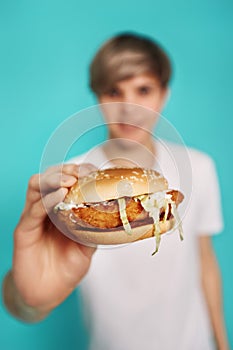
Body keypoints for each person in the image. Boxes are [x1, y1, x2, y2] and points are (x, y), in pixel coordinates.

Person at [2, 33, 229, 350]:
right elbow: (20, 305)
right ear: (97, 96)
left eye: (144, 90)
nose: (129, 108)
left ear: (164, 94)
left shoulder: (200, 167)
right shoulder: (66, 182)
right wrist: (28, 299)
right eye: (114, 91)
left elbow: (205, 262)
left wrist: (222, 342)